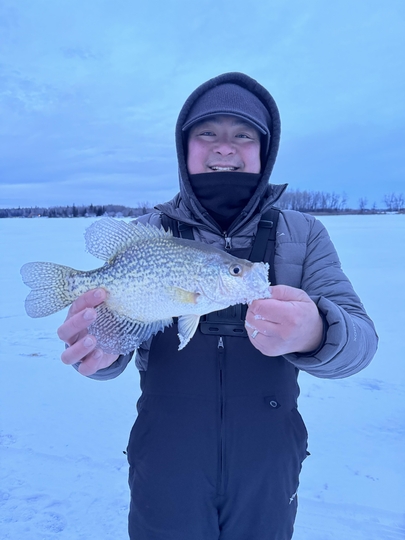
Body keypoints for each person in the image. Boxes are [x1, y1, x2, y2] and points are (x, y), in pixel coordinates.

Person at [57, 72, 378, 540]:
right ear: (184, 149)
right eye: (207, 133)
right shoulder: (150, 230)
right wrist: (98, 349)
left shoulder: (303, 234)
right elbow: (115, 347)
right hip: (164, 458)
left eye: (243, 135)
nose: (224, 147)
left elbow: (362, 344)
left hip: (269, 462)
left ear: (263, 152)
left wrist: (317, 332)